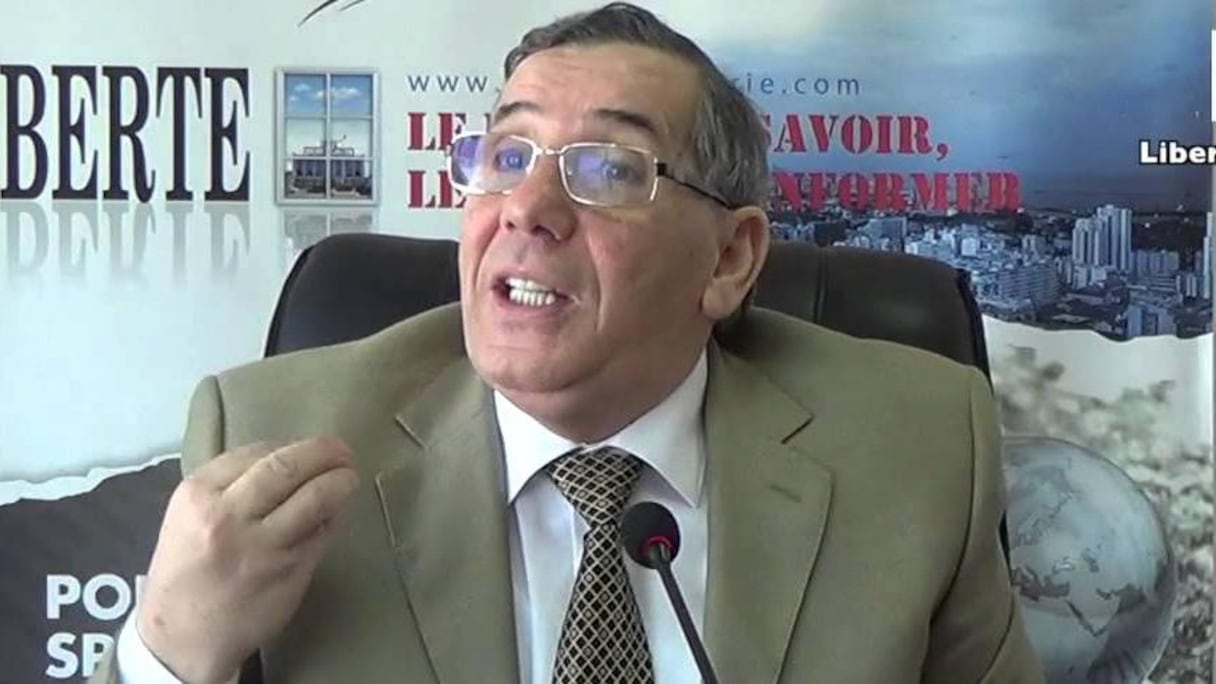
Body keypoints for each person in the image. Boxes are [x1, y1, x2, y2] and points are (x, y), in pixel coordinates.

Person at [92, 3, 1044, 682]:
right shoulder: (271, 439)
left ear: (729, 259)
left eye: (607, 169)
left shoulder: (917, 445)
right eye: (507, 156)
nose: (527, 208)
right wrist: (170, 652)